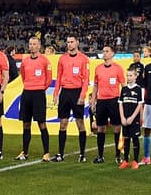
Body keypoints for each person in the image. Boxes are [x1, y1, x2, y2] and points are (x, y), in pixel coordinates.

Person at [53, 34, 90, 162]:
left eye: (72, 42)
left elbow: (86, 80)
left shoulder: (84, 59)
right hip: (65, 93)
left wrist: (82, 95)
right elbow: (58, 77)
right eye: (68, 42)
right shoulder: (62, 59)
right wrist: (56, 93)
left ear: (77, 43)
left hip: (77, 92)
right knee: (63, 123)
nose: (69, 44)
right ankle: (60, 154)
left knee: (80, 123)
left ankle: (82, 154)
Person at [18, 36, 52, 161]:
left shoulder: (45, 61)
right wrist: (29, 86)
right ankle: (25, 152)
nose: (32, 46)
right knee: (26, 124)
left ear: (39, 46)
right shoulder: (25, 61)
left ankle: (46, 152)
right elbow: (23, 76)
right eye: (30, 44)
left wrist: (40, 88)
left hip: (39, 94)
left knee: (41, 123)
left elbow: (49, 79)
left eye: (34, 44)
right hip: (27, 93)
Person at [92, 45, 125, 164]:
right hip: (101, 101)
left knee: (117, 128)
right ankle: (100, 156)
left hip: (114, 101)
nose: (104, 53)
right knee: (101, 128)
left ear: (112, 54)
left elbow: (124, 85)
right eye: (103, 51)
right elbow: (95, 85)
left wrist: (124, 101)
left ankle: (118, 155)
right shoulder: (98, 68)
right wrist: (93, 100)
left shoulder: (118, 68)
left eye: (107, 51)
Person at [119, 64, 144, 169]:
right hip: (125, 119)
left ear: (135, 76)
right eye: (127, 75)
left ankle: (135, 161)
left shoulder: (138, 89)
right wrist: (122, 117)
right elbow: (120, 104)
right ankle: (125, 160)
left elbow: (139, 105)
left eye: (130, 75)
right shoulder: (124, 89)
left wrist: (132, 117)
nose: (128, 78)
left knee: (135, 139)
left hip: (134, 119)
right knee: (126, 139)